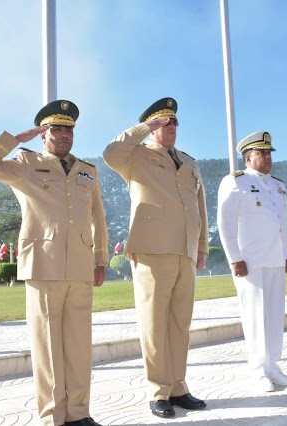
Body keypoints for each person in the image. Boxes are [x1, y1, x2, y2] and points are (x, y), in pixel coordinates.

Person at [0, 100, 108, 426]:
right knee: (47, 347)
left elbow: (97, 217)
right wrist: (15, 139)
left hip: (80, 266)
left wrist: (100, 259)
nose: (63, 135)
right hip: (43, 265)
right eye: (56, 129)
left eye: (68, 129)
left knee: (79, 346)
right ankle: (52, 418)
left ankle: (79, 413)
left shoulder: (88, 169)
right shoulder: (25, 163)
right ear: (44, 134)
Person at [103, 97, 208, 419]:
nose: (171, 127)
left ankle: (178, 386)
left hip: (185, 250)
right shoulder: (136, 156)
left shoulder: (189, 161)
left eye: (174, 121)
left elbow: (199, 205)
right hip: (152, 248)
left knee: (180, 324)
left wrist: (202, 246)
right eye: (163, 122)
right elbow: (110, 152)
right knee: (153, 323)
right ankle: (158, 390)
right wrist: (144, 128)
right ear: (152, 126)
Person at [217, 131, 287, 392]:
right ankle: (257, 369)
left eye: (270, 152)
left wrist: (286, 254)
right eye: (262, 153)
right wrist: (234, 258)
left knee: (274, 314)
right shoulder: (235, 181)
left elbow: (282, 223)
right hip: (249, 261)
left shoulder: (278, 185)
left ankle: (272, 365)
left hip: (274, 258)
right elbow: (225, 222)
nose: (268, 157)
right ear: (248, 157)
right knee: (254, 314)